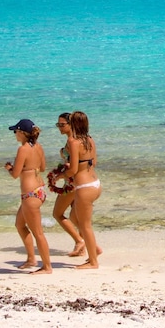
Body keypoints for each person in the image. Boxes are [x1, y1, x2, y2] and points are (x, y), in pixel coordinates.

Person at [5, 118, 52, 274]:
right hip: (39, 190)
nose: (14, 134)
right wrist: (31, 168)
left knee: (38, 233)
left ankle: (47, 267)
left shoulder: (23, 149)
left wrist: (9, 168)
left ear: (22, 133)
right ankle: (32, 259)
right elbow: (43, 168)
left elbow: (15, 174)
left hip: (30, 194)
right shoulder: (38, 147)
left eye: (15, 131)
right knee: (20, 225)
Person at [62, 111, 101, 269]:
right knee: (74, 217)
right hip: (95, 183)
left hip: (84, 187)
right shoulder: (89, 140)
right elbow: (94, 162)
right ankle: (95, 250)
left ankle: (93, 262)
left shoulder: (73, 141)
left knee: (85, 225)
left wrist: (59, 176)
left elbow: (73, 170)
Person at [47, 112, 85, 257]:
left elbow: (73, 166)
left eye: (62, 125)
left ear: (71, 124)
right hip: (80, 182)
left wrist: (59, 175)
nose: (59, 128)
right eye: (58, 125)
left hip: (71, 182)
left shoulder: (72, 141)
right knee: (77, 217)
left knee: (57, 213)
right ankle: (83, 248)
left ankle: (79, 240)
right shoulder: (81, 139)